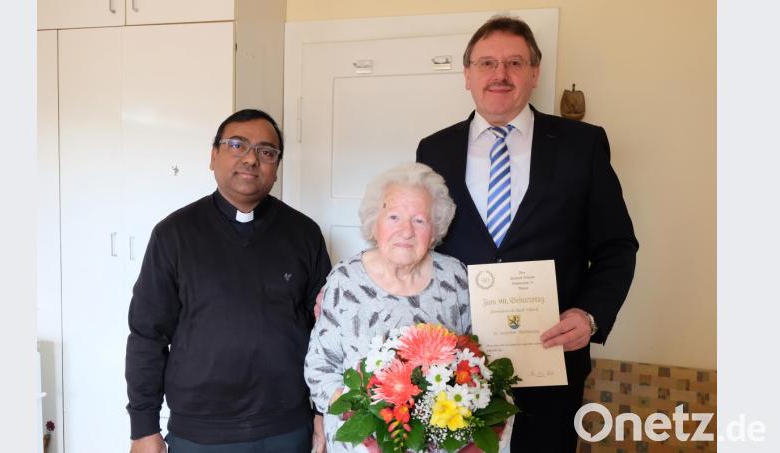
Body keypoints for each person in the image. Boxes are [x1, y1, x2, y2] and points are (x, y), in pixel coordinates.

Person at [416, 16, 639, 452]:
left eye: (514, 62)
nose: (500, 74)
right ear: (467, 75)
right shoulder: (433, 149)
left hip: (551, 360)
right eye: (486, 63)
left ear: (534, 73)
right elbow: (418, 242)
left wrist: (590, 315)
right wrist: (362, 283)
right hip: (456, 364)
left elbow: (617, 246)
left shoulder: (582, 145)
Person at [125, 109, 331, 453]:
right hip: (201, 431)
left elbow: (328, 331)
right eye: (237, 145)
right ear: (213, 156)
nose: (251, 158)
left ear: (276, 168)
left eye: (266, 152)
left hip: (288, 425)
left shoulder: (304, 233)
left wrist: (323, 411)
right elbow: (147, 334)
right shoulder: (174, 234)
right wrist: (143, 428)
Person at [305, 163, 489, 452]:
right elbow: (319, 368)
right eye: (393, 217)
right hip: (363, 445)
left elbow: (480, 359)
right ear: (374, 223)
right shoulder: (346, 280)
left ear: (436, 227)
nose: (406, 231)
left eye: (419, 220)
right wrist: (367, 421)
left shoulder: (455, 277)